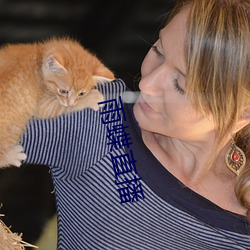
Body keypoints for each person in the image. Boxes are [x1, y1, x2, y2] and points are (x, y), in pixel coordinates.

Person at [21, 0, 250, 249]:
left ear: (243, 112)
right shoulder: (101, 120)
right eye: (158, 51)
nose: (147, 84)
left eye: (181, 85)